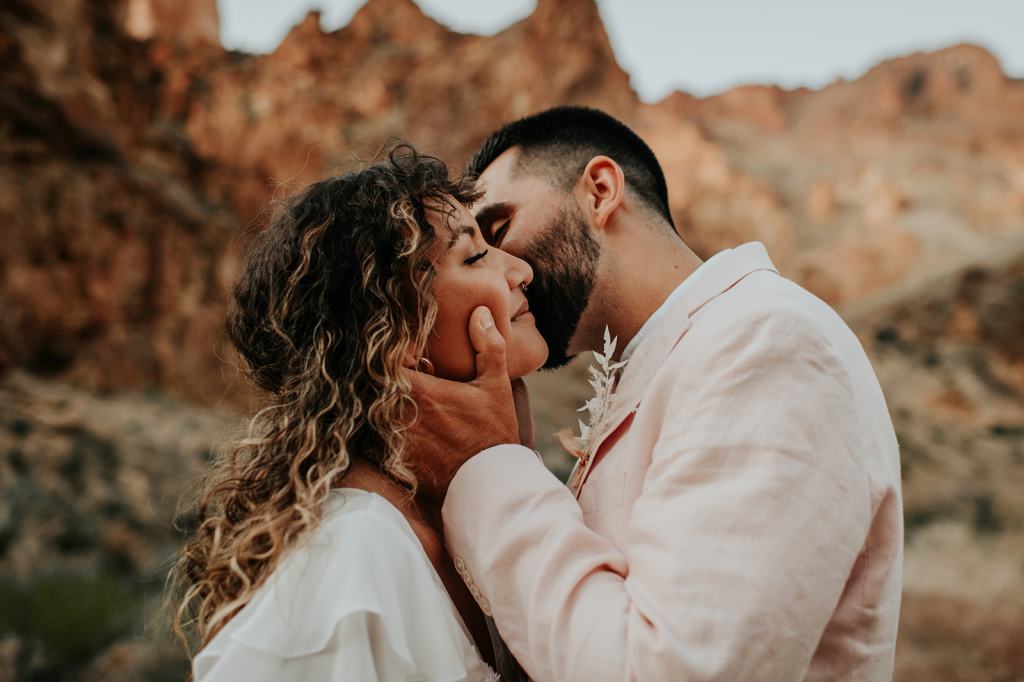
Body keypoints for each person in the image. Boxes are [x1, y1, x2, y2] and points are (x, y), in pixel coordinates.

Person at [408, 107, 904, 680]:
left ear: (600, 191)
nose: (503, 272)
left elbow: (678, 668)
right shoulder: (677, 361)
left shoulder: (767, 342)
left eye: (496, 233)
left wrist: (487, 463)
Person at [171, 146, 541, 681]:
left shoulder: (452, 526)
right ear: (394, 336)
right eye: (475, 256)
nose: (522, 270)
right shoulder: (352, 558)